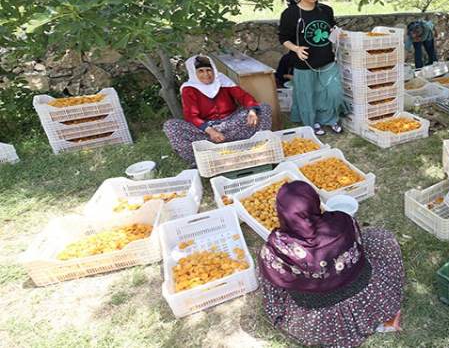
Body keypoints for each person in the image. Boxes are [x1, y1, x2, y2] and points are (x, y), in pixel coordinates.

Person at [258, 181, 405, 347]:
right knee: (380, 237)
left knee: (265, 267)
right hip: (367, 297)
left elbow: (272, 282)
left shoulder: (277, 248)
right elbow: (359, 244)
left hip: (318, 318)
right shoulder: (343, 220)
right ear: (315, 202)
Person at [163, 55, 271, 164]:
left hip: (232, 124)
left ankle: (258, 146)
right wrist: (210, 131)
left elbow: (244, 97)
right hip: (206, 132)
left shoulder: (222, 81)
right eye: (200, 71)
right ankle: (200, 161)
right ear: (193, 73)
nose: (206, 74)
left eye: (209, 70)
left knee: (263, 108)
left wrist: (252, 112)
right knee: (171, 126)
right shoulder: (189, 88)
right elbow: (191, 116)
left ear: (214, 70)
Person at [279, 0, 347, 136]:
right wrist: (296, 49)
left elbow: (331, 29)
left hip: (327, 60)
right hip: (304, 62)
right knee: (307, 95)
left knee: (334, 91)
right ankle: (312, 122)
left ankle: (331, 119)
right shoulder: (290, 14)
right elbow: (283, 38)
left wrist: (337, 33)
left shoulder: (326, 10)